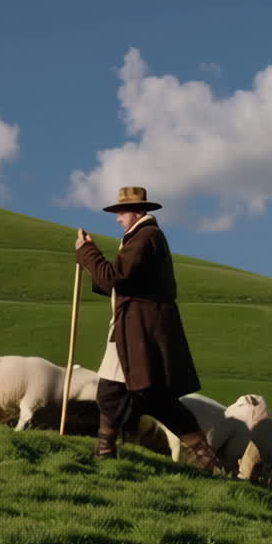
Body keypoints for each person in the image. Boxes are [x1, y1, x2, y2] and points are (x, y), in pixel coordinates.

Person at [74, 186, 218, 469]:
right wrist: (90, 257)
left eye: (121, 212)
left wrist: (87, 251)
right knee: (155, 398)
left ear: (136, 212)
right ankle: (205, 458)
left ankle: (104, 452)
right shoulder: (143, 237)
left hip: (137, 333)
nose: (117, 218)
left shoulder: (145, 237)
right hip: (138, 331)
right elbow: (121, 284)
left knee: (111, 392)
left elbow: (114, 277)